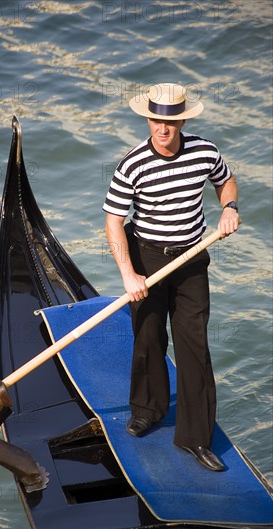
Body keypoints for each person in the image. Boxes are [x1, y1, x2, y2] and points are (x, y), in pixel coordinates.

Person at [103, 83, 239, 472]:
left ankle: (196, 438)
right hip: (146, 256)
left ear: (181, 120)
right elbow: (114, 223)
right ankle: (148, 409)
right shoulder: (132, 164)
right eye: (156, 120)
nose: (162, 129)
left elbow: (225, 180)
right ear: (148, 118)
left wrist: (228, 206)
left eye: (170, 121)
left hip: (191, 259)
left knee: (193, 344)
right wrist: (129, 274)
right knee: (148, 337)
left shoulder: (204, 151)